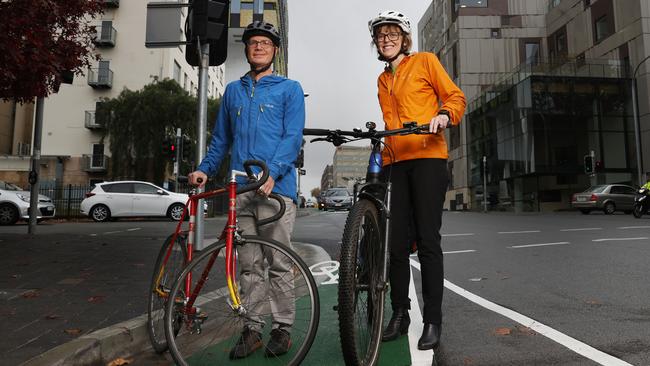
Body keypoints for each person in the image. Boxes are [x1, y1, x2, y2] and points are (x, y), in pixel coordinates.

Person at [188, 21, 305, 359]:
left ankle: (282, 328)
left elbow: (291, 137)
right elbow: (221, 140)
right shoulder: (233, 91)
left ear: (275, 51)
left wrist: (274, 174)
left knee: (278, 262)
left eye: (265, 43)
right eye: (253, 43)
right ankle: (252, 328)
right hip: (241, 190)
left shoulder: (289, 89)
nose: (258, 47)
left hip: (275, 189)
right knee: (248, 265)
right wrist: (204, 170)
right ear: (247, 49)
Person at [368, 10, 466, 350]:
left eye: (393, 33)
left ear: (404, 38)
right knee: (394, 245)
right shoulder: (382, 79)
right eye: (381, 35)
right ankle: (400, 313)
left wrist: (443, 114)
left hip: (427, 158)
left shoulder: (425, 61)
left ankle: (433, 320)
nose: (387, 39)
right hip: (395, 164)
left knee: (427, 241)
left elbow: (456, 98)